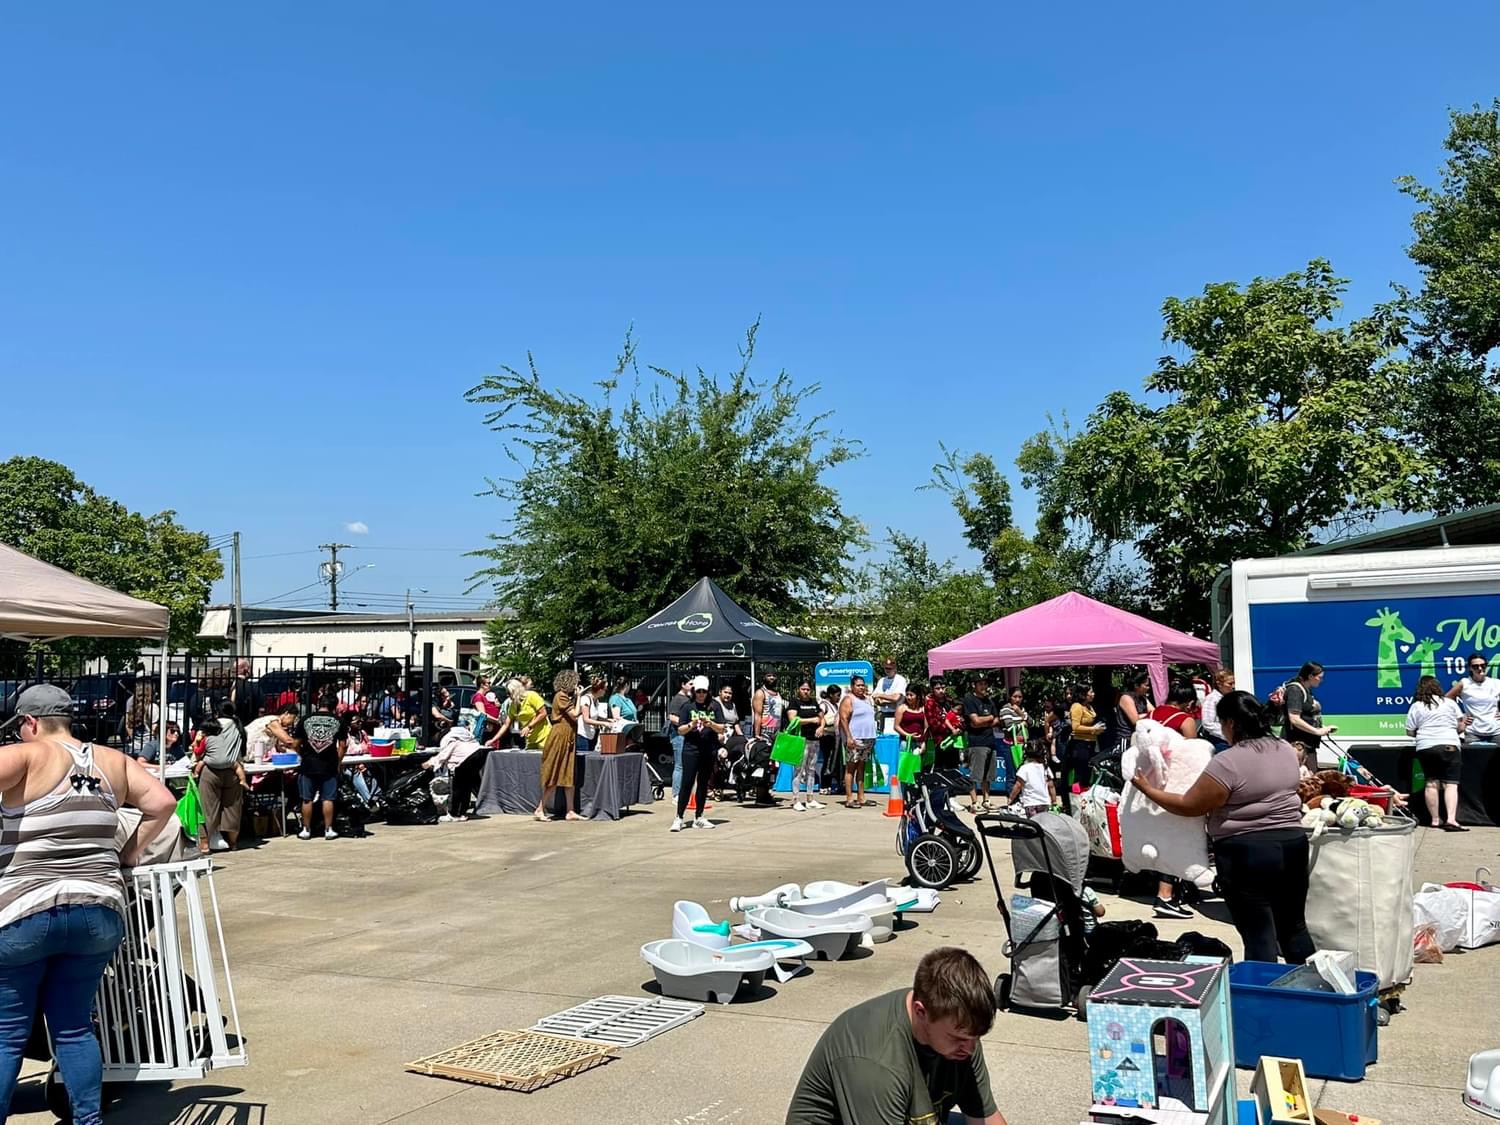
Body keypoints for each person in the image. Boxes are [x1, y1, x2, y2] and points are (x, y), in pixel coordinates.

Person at [0, 684, 177, 1125]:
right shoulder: (113, 761)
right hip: (99, 910)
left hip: (25, 910)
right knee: (74, 1028)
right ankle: (87, 1120)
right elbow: (163, 802)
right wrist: (129, 852)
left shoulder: (27, 755)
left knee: (6, 1034)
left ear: (30, 723)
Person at [1131, 690, 1314, 964]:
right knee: (1293, 926)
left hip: (1247, 853)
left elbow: (1190, 805)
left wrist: (1146, 788)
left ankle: (1262, 998)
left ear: (1230, 723)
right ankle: (1315, 993)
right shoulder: (1286, 750)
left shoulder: (1227, 762)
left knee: (1259, 933)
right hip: (1293, 844)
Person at [786, 945, 1008, 1125]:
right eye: (959, 1039)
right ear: (921, 1012)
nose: (970, 1049)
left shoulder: (962, 1033)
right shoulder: (877, 1063)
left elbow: (986, 1118)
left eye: (976, 1038)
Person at [1408, 674, 1469, 831]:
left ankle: (1435, 820)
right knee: (1451, 784)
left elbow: (1409, 731)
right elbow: (1461, 726)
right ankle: (1451, 819)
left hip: (1425, 746)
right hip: (1449, 744)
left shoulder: (1416, 706)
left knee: (1431, 782)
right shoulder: (1449, 703)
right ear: (1437, 687)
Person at [194, 703, 247, 854]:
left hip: (210, 770)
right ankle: (233, 843)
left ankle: (204, 844)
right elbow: (242, 750)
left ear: (217, 712)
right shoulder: (239, 727)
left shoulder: (210, 726)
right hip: (233, 770)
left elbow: (199, 749)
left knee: (207, 808)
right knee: (232, 808)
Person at [673, 676, 724, 832]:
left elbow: (722, 728)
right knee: (687, 783)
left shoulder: (714, 706)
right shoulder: (688, 707)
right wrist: (691, 724)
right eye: (698, 691)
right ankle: (679, 817)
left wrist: (711, 724)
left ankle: (699, 816)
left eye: (704, 691)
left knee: (703, 783)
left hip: (708, 749)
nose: (701, 694)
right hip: (691, 749)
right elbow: (680, 730)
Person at [293, 694, 346, 841]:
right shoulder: (338, 721)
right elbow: (343, 745)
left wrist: (302, 753)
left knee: (306, 799)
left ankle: (306, 829)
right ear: (334, 706)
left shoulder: (305, 719)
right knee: (328, 798)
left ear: (318, 703)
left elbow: (295, 743)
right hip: (329, 764)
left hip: (309, 764)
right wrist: (338, 761)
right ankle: (328, 829)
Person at [536, 672, 584, 822]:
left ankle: (570, 811)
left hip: (568, 737)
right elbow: (575, 714)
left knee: (568, 774)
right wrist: (580, 696)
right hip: (559, 737)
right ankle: (540, 808)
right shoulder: (561, 696)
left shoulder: (565, 697)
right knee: (554, 772)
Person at [424, 723, 491, 823]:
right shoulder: (460, 733)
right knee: (467, 785)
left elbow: (444, 755)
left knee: (457, 786)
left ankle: (454, 814)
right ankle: (462, 812)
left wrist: (430, 763)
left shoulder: (447, 739)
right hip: (479, 753)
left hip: (465, 759)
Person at [1062, 685, 1106, 812]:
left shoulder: (1089, 707)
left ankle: (1083, 803)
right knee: (1078, 776)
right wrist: (1093, 729)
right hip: (1079, 745)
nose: (1093, 694)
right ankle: (1073, 804)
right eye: (1090, 691)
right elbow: (1075, 727)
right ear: (1083, 694)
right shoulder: (1077, 706)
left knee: (1087, 775)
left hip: (1090, 744)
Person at [838, 675, 878, 809]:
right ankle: (849, 798)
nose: (861, 687)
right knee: (850, 768)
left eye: (862, 685)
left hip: (868, 739)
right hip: (855, 739)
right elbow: (843, 719)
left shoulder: (867, 700)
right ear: (852, 686)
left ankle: (861, 797)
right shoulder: (848, 699)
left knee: (861, 768)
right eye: (858, 685)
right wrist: (848, 737)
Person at [962, 676, 999, 814]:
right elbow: (975, 722)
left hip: (990, 741)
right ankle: (974, 802)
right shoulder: (969, 699)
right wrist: (988, 719)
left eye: (985, 683)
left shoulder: (989, 700)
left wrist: (984, 721)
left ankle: (986, 800)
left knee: (988, 775)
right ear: (974, 685)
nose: (984, 687)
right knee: (975, 775)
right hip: (976, 742)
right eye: (981, 684)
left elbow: (997, 720)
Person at [1281, 661, 1335, 756]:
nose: (1321, 680)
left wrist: (1323, 728)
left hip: (1307, 745)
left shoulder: (1307, 691)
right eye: (1320, 677)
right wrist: (1317, 731)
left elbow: (1306, 716)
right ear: (1310, 676)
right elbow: (1294, 718)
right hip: (1297, 747)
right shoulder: (1295, 690)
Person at [788, 679, 825, 812]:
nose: (806, 692)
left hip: (814, 740)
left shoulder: (814, 702)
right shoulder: (794, 702)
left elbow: (821, 717)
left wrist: (821, 727)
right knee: (799, 769)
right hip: (801, 740)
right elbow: (793, 720)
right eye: (803, 689)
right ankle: (796, 799)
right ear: (799, 689)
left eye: (808, 689)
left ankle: (810, 798)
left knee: (811, 769)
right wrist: (811, 720)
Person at [1448, 652, 1500, 743]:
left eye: (1483, 665)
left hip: (1496, 732)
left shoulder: (1496, 683)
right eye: (1475, 666)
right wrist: (1461, 717)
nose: (1480, 668)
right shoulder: (1464, 683)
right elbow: (1446, 700)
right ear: (1470, 668)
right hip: (1473, 733)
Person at [1008, 740, 1057, 817]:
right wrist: (1054, 801)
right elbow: (1051, 786)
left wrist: (1011, 798)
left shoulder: (1024, 768)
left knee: (1032, 823)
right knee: (1042, 823)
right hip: (1044, 802)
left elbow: (1018, 785)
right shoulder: (1045, 768)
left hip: (1030, 803)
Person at [996, 687, 1028, 793]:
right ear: (1010, 697)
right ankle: (1011, 801)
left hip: (1023, 746)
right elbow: (1009, 728)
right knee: (1012, 774)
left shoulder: (1022, 709)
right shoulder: (1005, 709)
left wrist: (1020, 713)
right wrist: (1022, 723)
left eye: (1020, 697)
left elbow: (1032, 723)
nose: (1018, 699)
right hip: (1011, 746)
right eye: (1015, 697)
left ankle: (1022, 799)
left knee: (1023, 775)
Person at [1109, 671, 1151, 752]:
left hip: (1139, 738)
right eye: (1146, 685)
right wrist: (1148, 715)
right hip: (1127, 739)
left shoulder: (1143, 699)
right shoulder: (1126, 698)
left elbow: (1154, 712)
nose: (1148, 688)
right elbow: (1135, 721)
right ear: (1136, 685)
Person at [924, 679, 958, 770]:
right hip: (939, 742)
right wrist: (950, 728)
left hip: (953, 741)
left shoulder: (950, 702)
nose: (941, 691)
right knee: (940, 773)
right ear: (932, 689)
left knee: (954, 771)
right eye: (937, 688)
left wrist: (958, 727)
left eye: (943, 688)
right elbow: (934, 725)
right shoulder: (930, 704)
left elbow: (958, 718)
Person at [667, 675, 692, 798]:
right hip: (678, 736)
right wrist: (687, 725)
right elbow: (671, 717)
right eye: (690, 684)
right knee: (679, 765)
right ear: (683, 684)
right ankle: (676, 794)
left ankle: (683, 793)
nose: (693, 687)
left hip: (686, 735)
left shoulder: (689, 699)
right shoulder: (678, 699)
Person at [1199, 669, 1234, 752]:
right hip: (1219, 741)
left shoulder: (1228, 697)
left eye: (1233, 683)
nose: (1233, 686)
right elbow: (1207, 723)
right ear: (1219, 684)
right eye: (1230, 683)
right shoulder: (1212, 699)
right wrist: (1226, 734)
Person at [871, 657, 908, 735]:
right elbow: (875, 698)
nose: (888, 670)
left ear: (895, 668)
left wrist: (881, 696)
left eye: (890, 668)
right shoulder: (881, 681)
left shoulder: (900, 680)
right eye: (886, 668)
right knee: (884, 736)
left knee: (897, 737)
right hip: (884, 714)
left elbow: (896, 698)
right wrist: (886, 701)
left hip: (897, 714)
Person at [820, 685, 843, 795]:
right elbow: (820, 718)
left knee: (834, 761)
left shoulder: (835, 706)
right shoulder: (824, 705)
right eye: (837, 695)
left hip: (835, 736)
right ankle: (824, 785)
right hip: (826, 736)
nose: (839, 698)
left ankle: (832, 784)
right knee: (828, 760)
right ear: (831, 695)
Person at [752, 673, 785, 742]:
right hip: (764, 732)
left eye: (774, 676)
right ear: (764, 678)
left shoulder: (778, 694)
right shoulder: (760, 693)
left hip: (777, 732)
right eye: (769, 676)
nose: (772, 678)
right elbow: (757, 715)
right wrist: (757, 734)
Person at [228, 658, 262, 725]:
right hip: (250, 719)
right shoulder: (253, 685)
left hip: (234, 718)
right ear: (246, 670)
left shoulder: (231, 684)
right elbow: (261, 706)